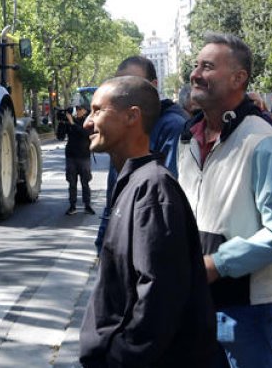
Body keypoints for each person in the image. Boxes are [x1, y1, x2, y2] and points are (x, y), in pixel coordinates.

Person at [178, 32, 272, 368]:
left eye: (207, 66)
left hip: (244, 308)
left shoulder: (264, 142)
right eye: (196, 65)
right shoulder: (188, 140)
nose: (195, 74)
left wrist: (219, 263)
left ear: (239, 78)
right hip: (195, 298)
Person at [78, 76, 216, 367]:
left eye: (97, 111)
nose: (87, 123)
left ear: (132, 116)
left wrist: (120, 356)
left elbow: (160, 297)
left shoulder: (153, 189)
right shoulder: (135, 181)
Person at [95, 56, 189, 249]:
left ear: (153, 86)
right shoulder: (122, 127)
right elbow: (115, 193)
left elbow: (164, 202)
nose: (124, 94)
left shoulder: (172, 126)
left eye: (132, 85)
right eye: (120, 86)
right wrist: (103, 242)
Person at [58, 103, 95, 216]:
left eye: (80, 109)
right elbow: (60, 137)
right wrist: (62, 123)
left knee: (85, 183)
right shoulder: (70, 121)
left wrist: (72, 123)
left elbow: (85, 134)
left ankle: (87, 206)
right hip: (71, 157)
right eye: (76, 109)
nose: (77, 111)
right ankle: (72, 206)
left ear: (85, 111)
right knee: (72, 183)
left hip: (84, 156)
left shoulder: (89, 122)